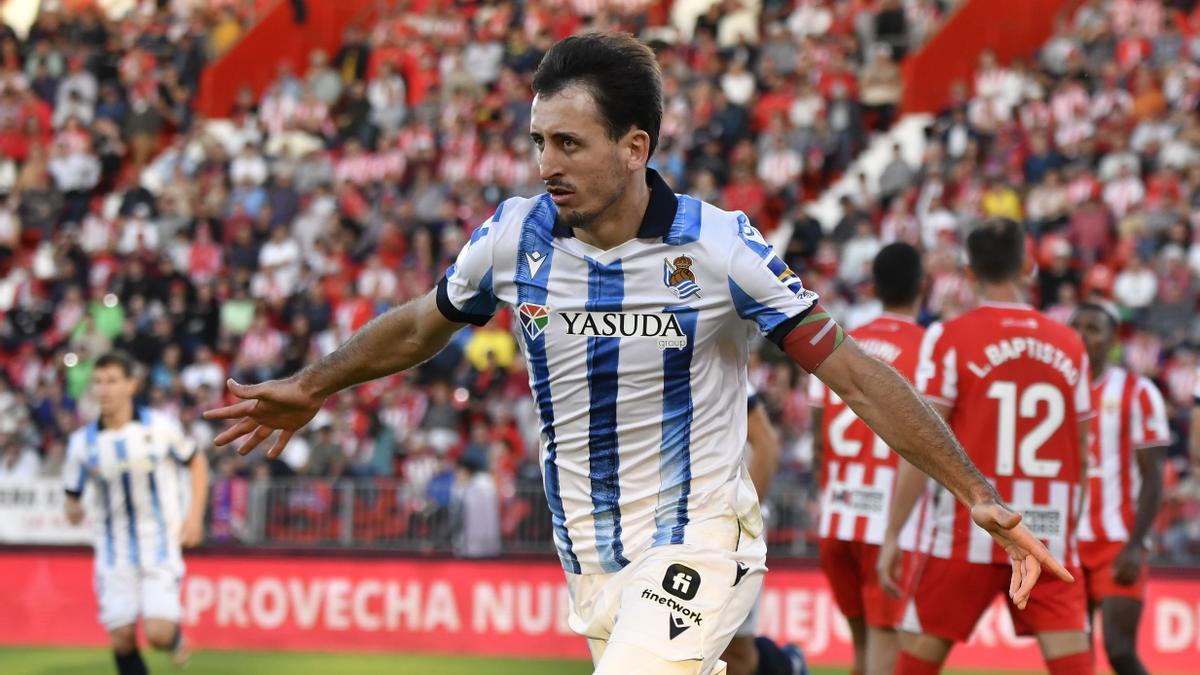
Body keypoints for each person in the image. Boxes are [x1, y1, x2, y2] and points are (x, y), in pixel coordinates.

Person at [204, 34, 1071, 675]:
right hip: (590, 545)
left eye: (568, 144)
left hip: (704, 531)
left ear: (635, 148)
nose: (546, 164)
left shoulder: (720, 249)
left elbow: (851, 369)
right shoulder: (516, 238)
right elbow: (422, 322)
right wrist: (312, 384)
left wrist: (979, 494)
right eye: (539, 141)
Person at [880, 217, 1092, 675]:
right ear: (1028, 266)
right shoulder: (1071, 344)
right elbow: (1083, 453)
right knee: (1076, 666)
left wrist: (893, 534)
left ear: (969, 273)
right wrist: (1070, 529)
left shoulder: (951, 338)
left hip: (969, 529)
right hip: (1047, 532)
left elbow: (923, 442)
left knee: (913, 667)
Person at [810, 242, 928, 675]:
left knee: (860, 649)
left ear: (873, 286)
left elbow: (818, 440)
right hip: (892, 524)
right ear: (923, 286)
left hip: (838, 516)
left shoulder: (837, 343)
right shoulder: (930, 348)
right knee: (885, 645)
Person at [63, 351, 209, 675]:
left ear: (130, 385)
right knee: (122, 639)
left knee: (157, 634)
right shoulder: (81, 444)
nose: (104, 389)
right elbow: (71, 494)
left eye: (112, 381)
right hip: (113, 550)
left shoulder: (161, 427)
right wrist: (72, 510)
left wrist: (194, 517)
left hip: (158, 543)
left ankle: (173, 639)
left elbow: (197, 461)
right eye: (98, 382)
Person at [1070, 302, 1168, 675]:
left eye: (1093, 328)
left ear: (1112, 340)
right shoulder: (1053, 392)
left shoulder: (1137, 391)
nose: (1081, 334)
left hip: (1117, 540)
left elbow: (1154, 477)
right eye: (1075, 325)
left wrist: (1136, 543)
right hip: (1067, 543)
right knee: (1072, 658)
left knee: (1119, 649)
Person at [721, 385, 806, 675]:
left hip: (729, 531)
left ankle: (789, 667)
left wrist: (739, 528)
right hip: (669, 530)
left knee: (736, 653)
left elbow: (767, 446)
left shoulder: (723, 371)